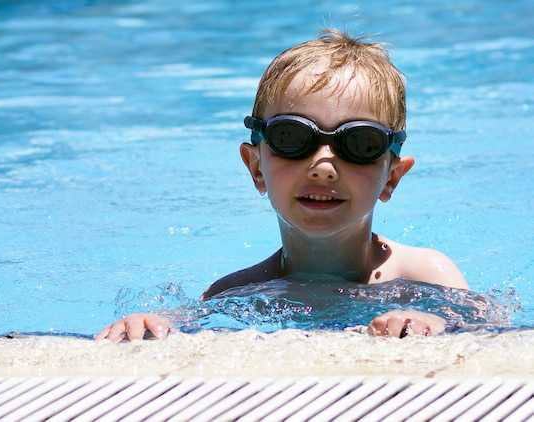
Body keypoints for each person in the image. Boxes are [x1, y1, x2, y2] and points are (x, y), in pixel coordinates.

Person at [96, 28, 469, 342]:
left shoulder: (423, 273)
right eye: (292, 137)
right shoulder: (237, 291)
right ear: (256, 167)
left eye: (360, 143)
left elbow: (488, 331)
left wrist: (438, 323)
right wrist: (148, 323)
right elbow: (181, 323)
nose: (323, 166)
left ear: (391, 177)